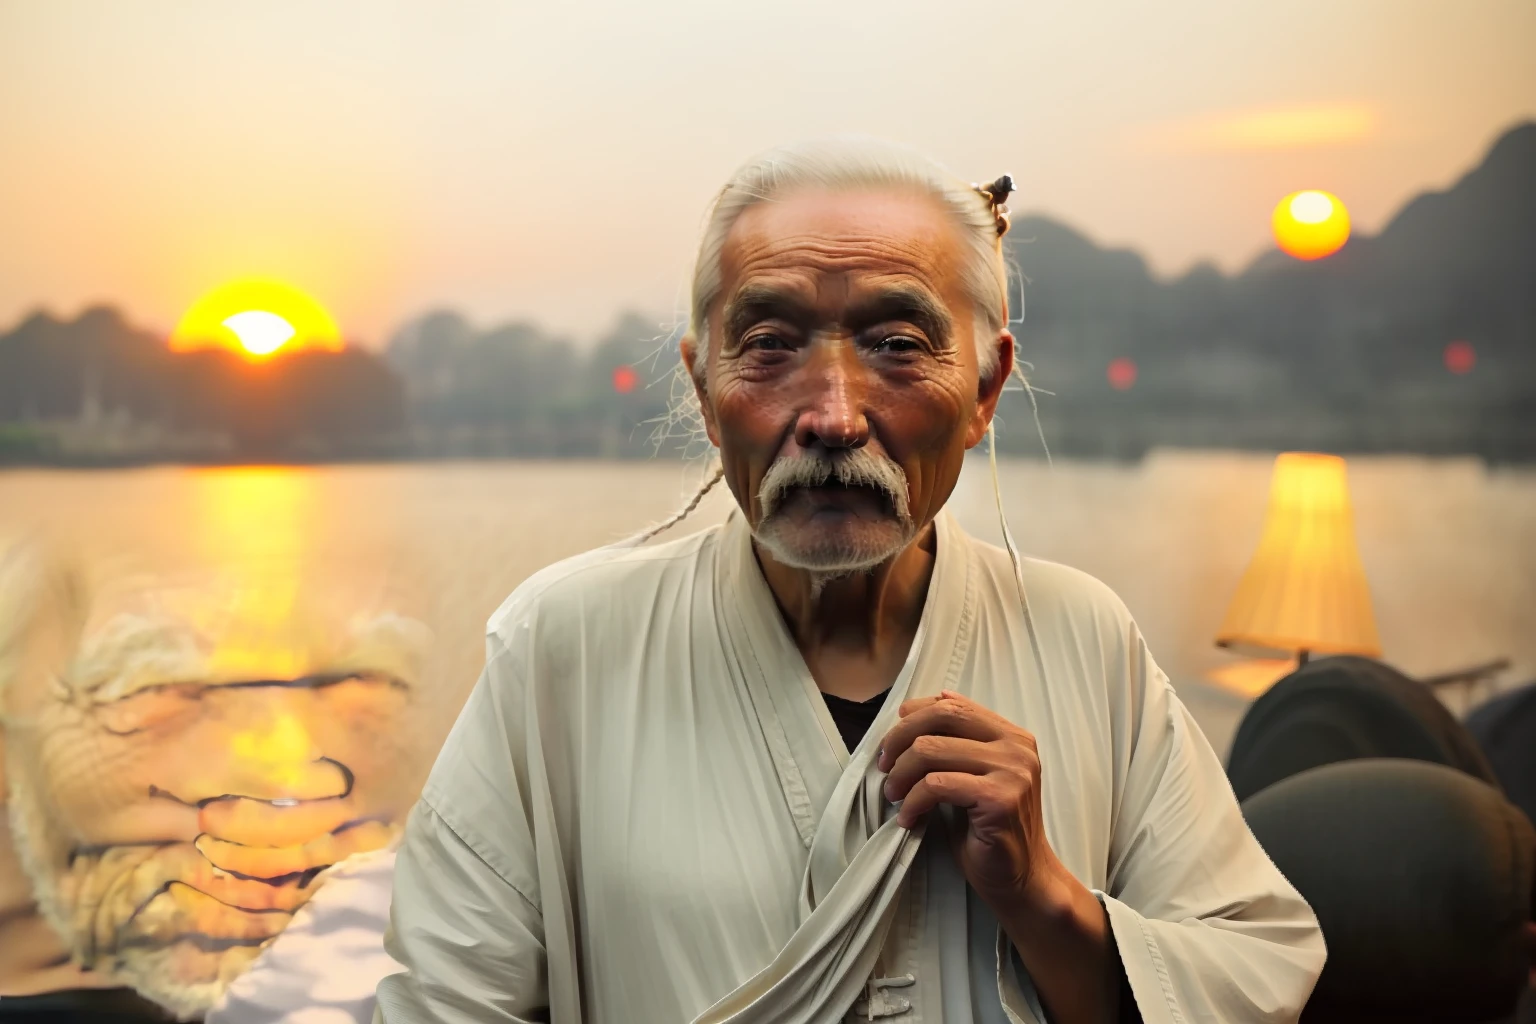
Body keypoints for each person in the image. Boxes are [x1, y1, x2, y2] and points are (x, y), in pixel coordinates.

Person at [375, 138, 1326, 1024]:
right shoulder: (564, 646)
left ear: (985, 391)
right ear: (705, 390)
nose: (833, 416)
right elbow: (449, 1000)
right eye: (772, 344)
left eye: (897, 345)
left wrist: (1044, 895)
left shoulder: (1082, 638)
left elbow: (1252, 968)